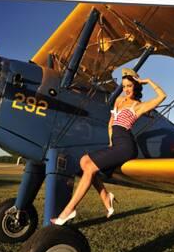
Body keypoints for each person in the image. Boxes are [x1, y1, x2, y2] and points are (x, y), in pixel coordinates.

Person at [50, 69, 167, 225]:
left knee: (90, 168)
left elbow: (162, 96)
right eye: (124, 86)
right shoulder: (118, 100)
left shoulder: (139, 106)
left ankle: (69, 210)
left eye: (130, 86)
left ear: (136, 86)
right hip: (116, 143)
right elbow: (111, 122)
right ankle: (106, 196)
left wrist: (147, 81)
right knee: (84, 161)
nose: (126, 89)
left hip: (126, 145)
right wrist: (111, 142)